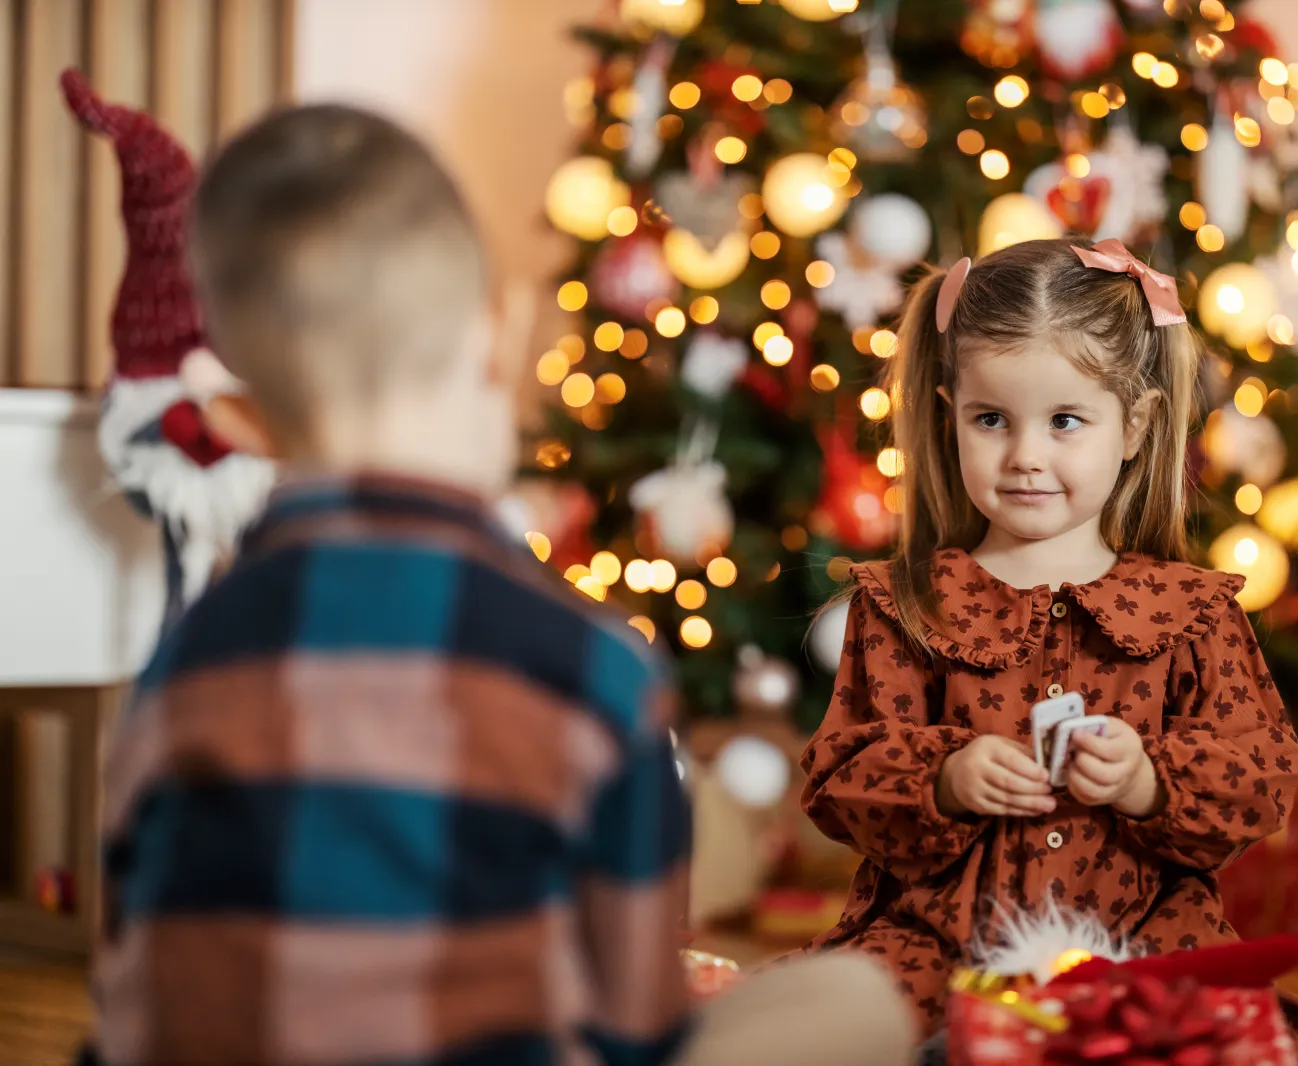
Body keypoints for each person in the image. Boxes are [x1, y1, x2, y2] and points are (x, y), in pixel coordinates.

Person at [84, 103, 913, 1066]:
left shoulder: (184, 664)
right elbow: (634, 1024)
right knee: (855, 999)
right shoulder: (593, 663)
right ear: (500, 337)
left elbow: (134, 981)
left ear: (236, 420)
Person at [798, 237, 1298, 1066]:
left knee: (1225, 1042)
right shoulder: (906, 606)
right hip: (939, 945)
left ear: (1134, 426)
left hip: (1142, 942)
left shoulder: (1192, 615)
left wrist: (1149, 779)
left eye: (1064, 421)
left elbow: (1260, 778)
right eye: (991, 419)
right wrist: (945, 777)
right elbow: (839, 778)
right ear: (949, 416)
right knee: (832, 1036)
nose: (1026, 456)